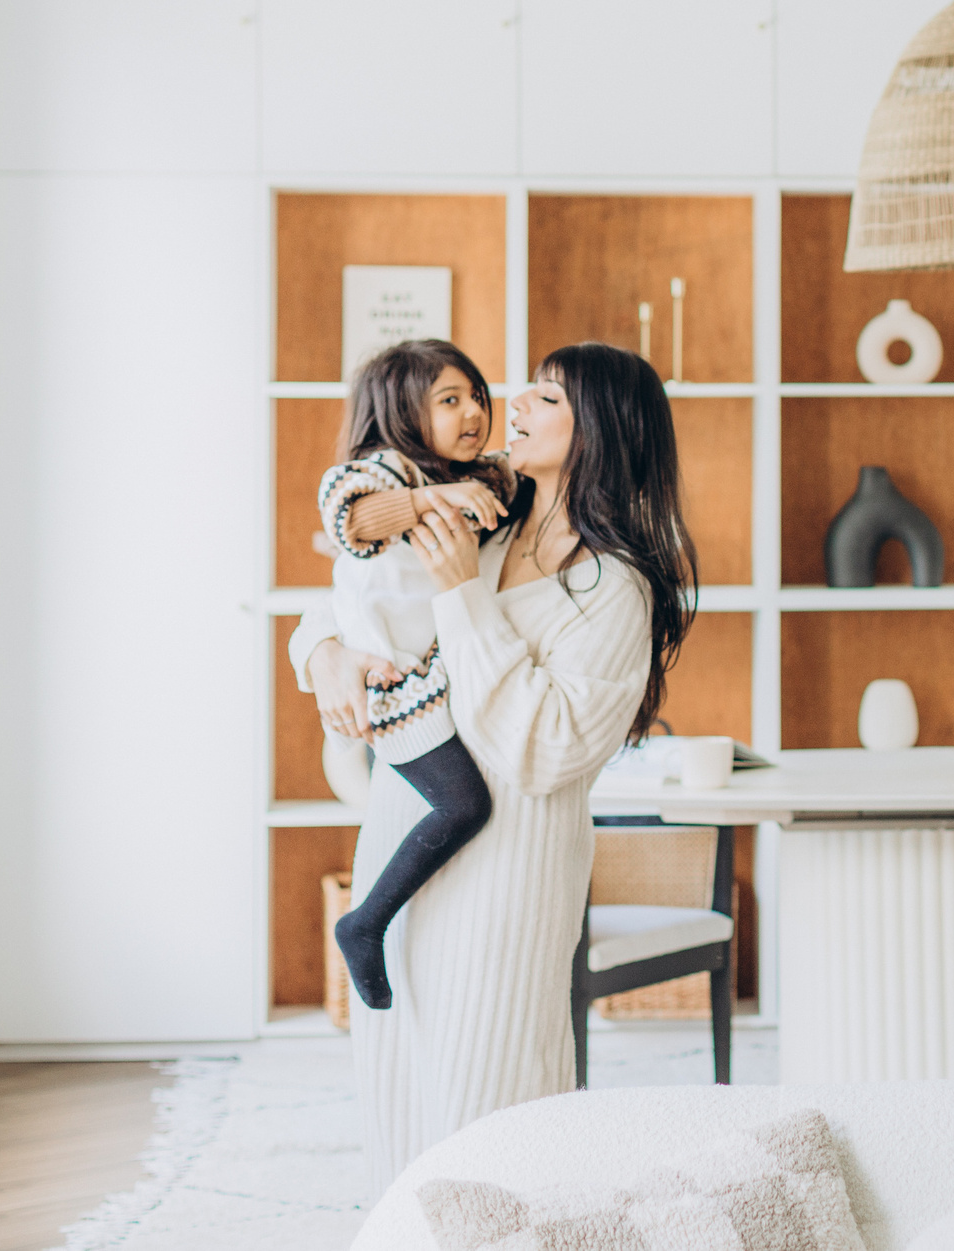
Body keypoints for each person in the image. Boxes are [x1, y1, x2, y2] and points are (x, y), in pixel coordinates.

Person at [295, 341, 695, 1188]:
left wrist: (459, 594)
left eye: (545, 396)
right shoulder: (486, 520)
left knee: (494, 1110)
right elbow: (352, 593)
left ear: (598, 427)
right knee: (400, 1091)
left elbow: (546, 750)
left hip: (504, 877)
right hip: (402, 847)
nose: (511, 403)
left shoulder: (612, 586)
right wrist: (325, 654)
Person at [311, 339, 519, 1012]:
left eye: (477, 397)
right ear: (400, 412)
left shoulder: (483, 477)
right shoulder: (384, 471)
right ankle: (364, 921)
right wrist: (440, 495)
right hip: (388, 684)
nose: (474, 413)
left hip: (434, 674)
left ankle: (370, 920)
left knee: (473, 802)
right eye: (450, 400)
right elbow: (356, 520)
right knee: (465, 803)